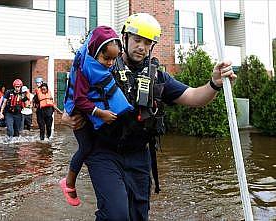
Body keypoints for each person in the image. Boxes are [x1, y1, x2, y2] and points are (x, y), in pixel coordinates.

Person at [61, 13, 236, 221]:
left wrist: (214, 83)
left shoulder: (158, 77)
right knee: (116, 215)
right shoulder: (102, 64)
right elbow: (75, 91)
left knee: (137, 216)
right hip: (103, 151)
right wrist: (66, 116)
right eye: (137, 40)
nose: (141, 47)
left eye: (147, 42)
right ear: (124, 38)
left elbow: (194, 97)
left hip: (138, 155)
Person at [60, 26, 133, 207]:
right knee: (86, 147)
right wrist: (101, 113)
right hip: (79, 113)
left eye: (113, 59)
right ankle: (68, 183)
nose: (110, 63)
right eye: (106, 58)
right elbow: (79, 100)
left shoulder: (102, 63)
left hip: (96, 118)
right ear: (95, 52)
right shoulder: (85, 69)